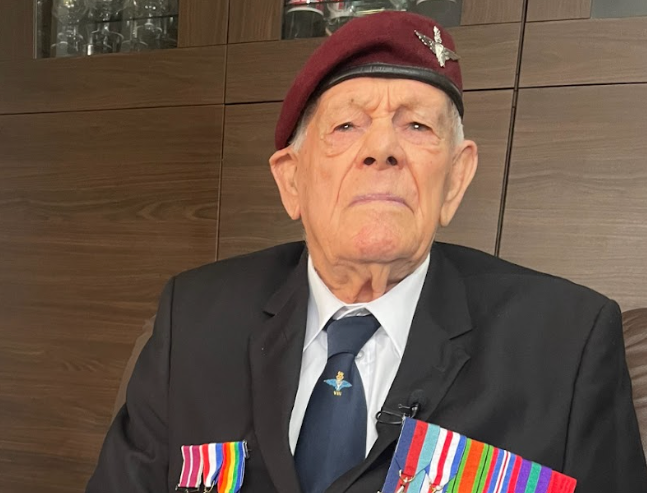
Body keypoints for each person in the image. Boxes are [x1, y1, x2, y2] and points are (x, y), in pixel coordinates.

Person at [86, 11, 647, 493]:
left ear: (456, 179)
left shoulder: (567, 343)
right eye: (347, 125)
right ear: (291, 180)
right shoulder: (194, 319)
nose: (382, 148)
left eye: (417, 125)